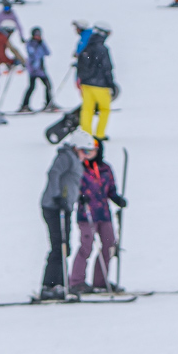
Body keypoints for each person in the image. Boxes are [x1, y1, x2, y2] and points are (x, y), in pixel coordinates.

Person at [71, 135, 126, 293]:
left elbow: (111, 189)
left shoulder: (105, 169)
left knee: (109, 246)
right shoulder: (79, 168)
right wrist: (80, 197)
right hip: (87, 214)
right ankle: (76, 281)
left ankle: (100, 281)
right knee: (86, 246)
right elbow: (74, 188)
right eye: (86, 150)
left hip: (104, 214)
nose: (89, 153)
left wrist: (117, 199)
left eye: (93, 150)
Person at [38, 139, 81, 299]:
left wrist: (80, 197)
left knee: (64, 247)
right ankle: (49, 286)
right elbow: (53, 173)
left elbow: (71, 182)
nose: (87, 155)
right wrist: (56, 195)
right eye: (85, 151)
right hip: (54, 207)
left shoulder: (75, 159)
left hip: (64, 207)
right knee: (59, 246)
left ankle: (61, 284)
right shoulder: (66, 157)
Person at [76, 21, 115, 140]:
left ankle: (86, 134)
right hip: (100, 85)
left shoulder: (86, 46)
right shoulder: (102, 49)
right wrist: (111, 83)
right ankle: (99, 134)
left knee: (87, 110)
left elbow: (80, 64)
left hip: (86, 84)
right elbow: (107, 68)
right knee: (105, 109)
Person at [20, 26, 54, 112]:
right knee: (32, 87)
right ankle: (25, 105)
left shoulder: (40, 44)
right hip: (34, 70)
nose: (38, 36)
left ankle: (49, 103)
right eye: (36, 35)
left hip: (41, 70)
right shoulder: (30, 44)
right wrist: (35, 67)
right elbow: (34, 55)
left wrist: (42, 43)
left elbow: (48, 52)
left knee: (47, 85)